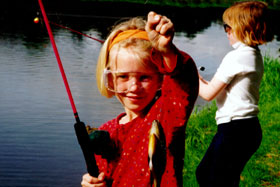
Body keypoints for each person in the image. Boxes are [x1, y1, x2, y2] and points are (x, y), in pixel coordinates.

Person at [81, 11, 199, 187]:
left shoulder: (166, 114)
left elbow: (184, 83)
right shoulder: (107, 130)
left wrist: (167, 51)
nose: (134, 87)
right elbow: (103, 176)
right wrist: (93, 182)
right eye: (123, 77)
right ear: (110, 79)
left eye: (144, 78)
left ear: (160, 78)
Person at [196, 1, 274, 186]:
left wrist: (190, 74)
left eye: (228, 27)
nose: (227, 32)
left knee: (214, 180)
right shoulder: (253, 54)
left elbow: (207, 94)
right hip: (244, 129)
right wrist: (199, 79)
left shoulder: (237, 56)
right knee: (206, 174)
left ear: (242, 28)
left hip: (236, 129)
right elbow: (217, 89)